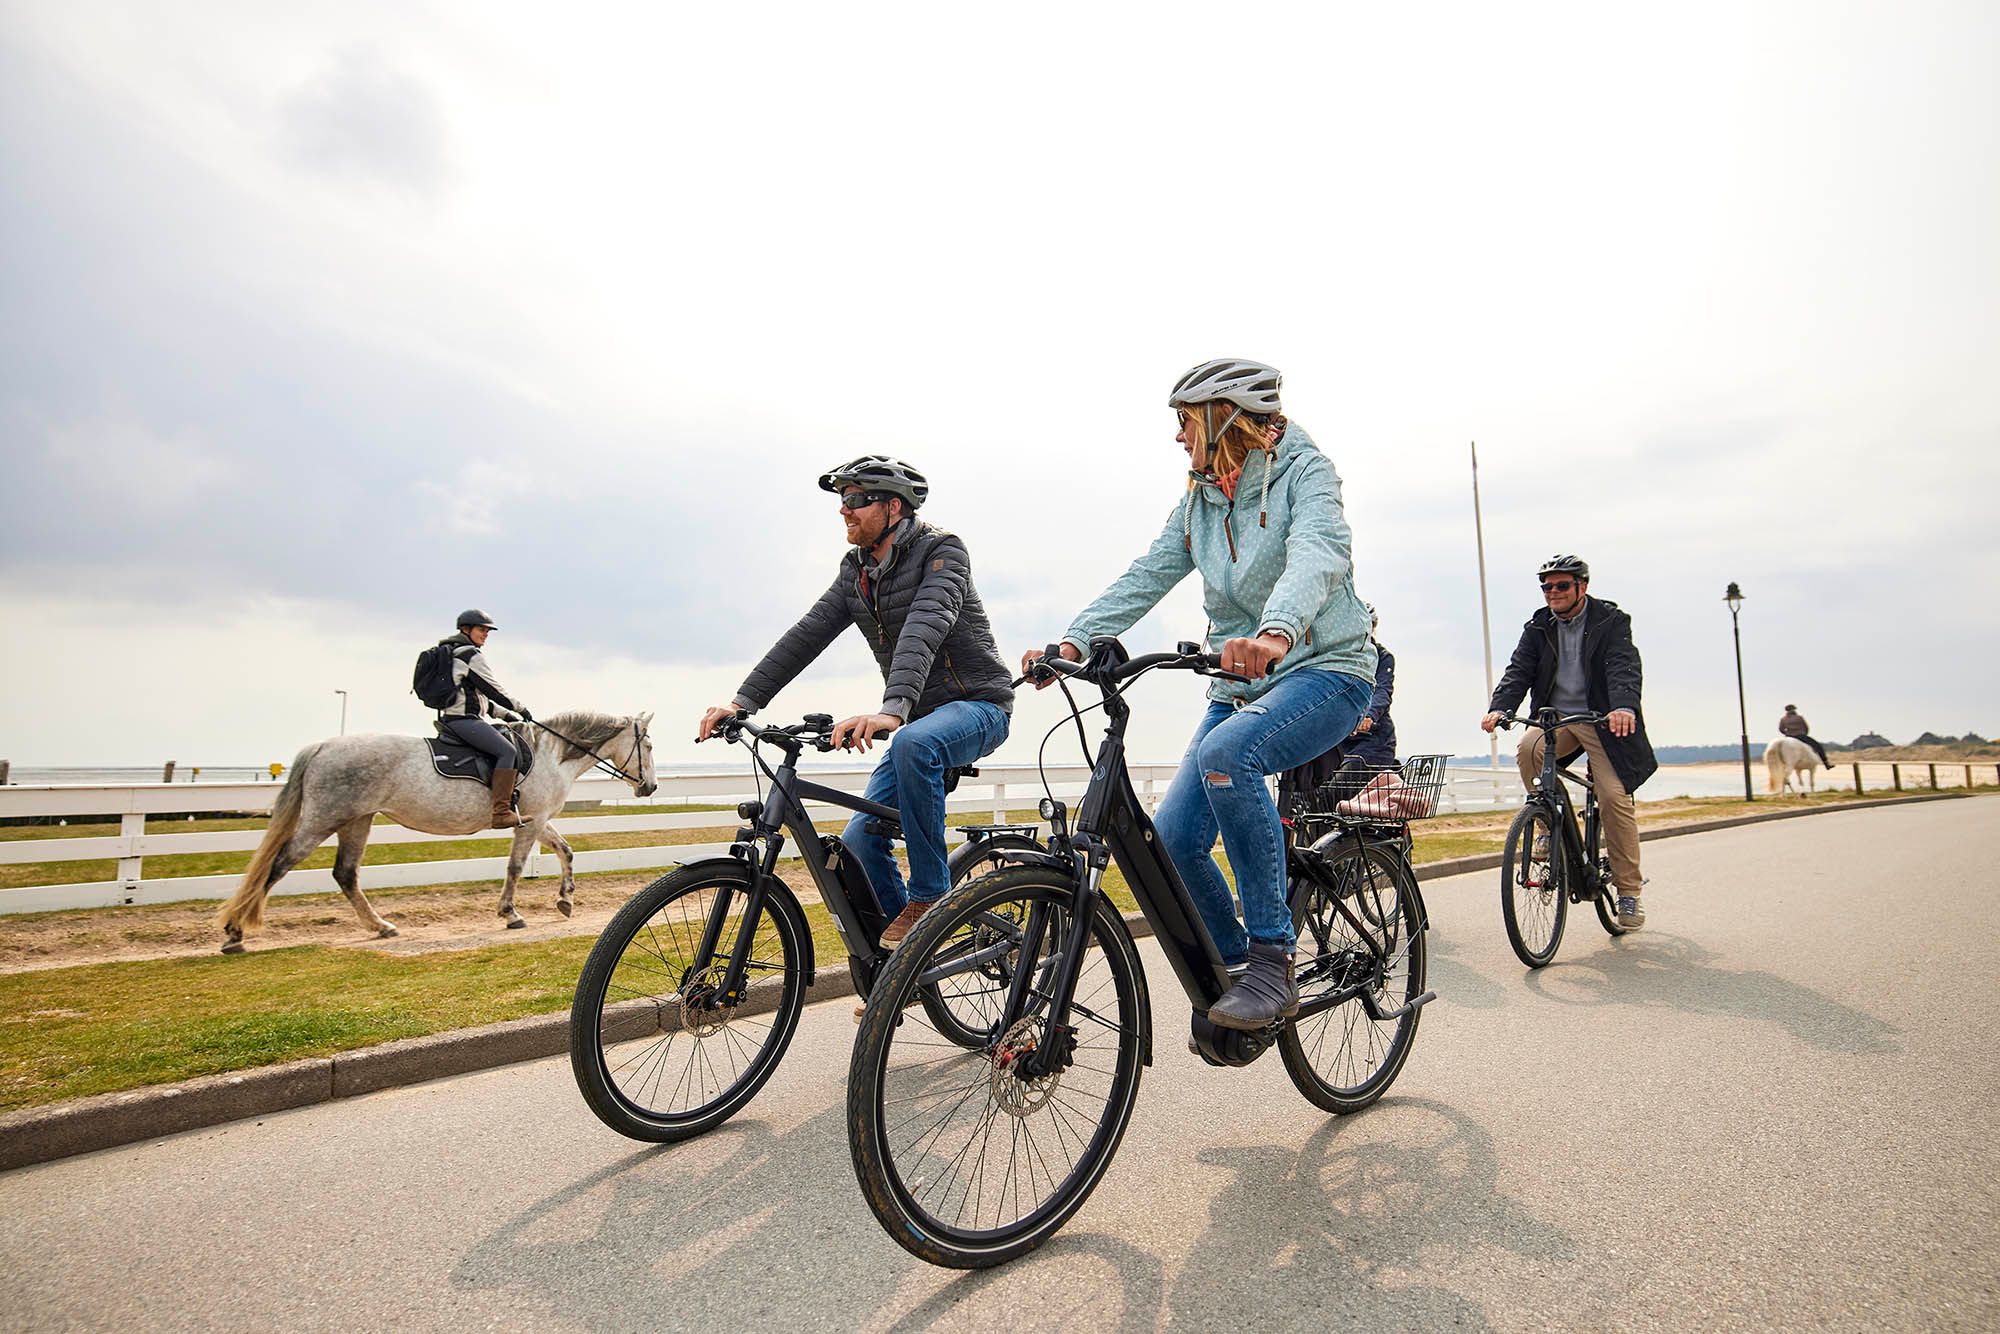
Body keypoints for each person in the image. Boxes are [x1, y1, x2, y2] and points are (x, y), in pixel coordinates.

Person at [1027, 358, 1377, 1032]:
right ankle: (1236, 967)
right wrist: (1073, 642)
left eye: (1186, 422)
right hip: (1239, 681)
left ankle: (1274, 963)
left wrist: (1277, 630)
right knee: (1176, 838)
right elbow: (1150, 571)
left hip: (1325, 669)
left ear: (1223, 419)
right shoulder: (1199, 497)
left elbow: (1318, 553)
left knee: (1228, 756)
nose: (1179, 438)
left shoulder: (1307, 473)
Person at [696, 455, 1014, 950]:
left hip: (979, 707)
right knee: (861, 840)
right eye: (841, 501)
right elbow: (806, 635)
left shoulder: (942, 551)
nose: (844, 511)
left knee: (913, 743)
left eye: (854, 501)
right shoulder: (856, 572)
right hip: (918, 720)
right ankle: (907, 964)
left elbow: (924, 625)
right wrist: (743, 702)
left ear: (893, 507)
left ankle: (932, 901)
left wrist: (893, 709)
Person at [1480, 555, 1657, 929]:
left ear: (1582, 587)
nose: (1553, 593)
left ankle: (1628, 892)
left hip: (1601, 720)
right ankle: (1546, 827)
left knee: (1612, 796)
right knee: (1528, 750)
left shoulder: (1610, 621)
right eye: (1547, 587)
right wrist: (1500, 707)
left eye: (1561, 585)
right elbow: (1519, 670)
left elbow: (1623, 665)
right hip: (1556, 718)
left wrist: (1623, 706)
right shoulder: (1539, 625)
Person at [1279, 602, 1397, 810]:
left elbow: (1382, 691)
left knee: (1330, 795)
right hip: (1339, 743)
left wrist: (1368, 716)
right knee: (1302, 787)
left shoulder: (1382, 657)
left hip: (1372, 744)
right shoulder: (1340, 657)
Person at [435, 609, 534, 829]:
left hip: (458, 718)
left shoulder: (453, 652)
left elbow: (477, 697)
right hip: (464, 721)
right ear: (465, 629)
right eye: (482, 629)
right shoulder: (469, 654)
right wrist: (520, 708)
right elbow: (493, 690)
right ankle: (500, 813)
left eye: (488, 631)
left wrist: (506, 715)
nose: (486, 634)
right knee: (508, 751)